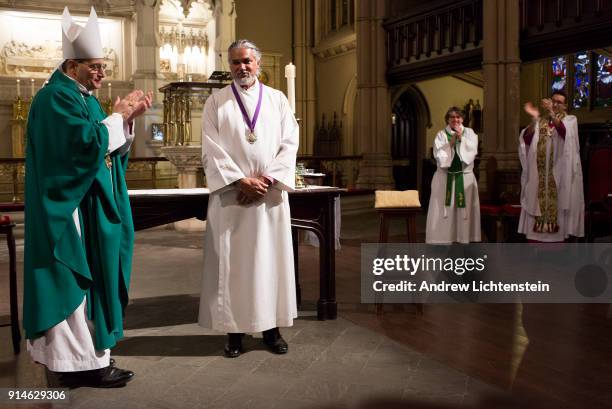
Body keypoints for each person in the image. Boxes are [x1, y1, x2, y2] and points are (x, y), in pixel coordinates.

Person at [23, 7, 152, 388]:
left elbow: (105, 151)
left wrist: (125, 122)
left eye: (104, 68)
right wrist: (116, 117)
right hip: (68, 214)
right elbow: (81, 149)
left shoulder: (84, 99)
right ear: (72, 63)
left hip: (87, 208)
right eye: (94, 67)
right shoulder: (53, 99)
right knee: (72, 285)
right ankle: (77, 364)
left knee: (90, 284)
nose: (101, 74)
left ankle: (86, 358)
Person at [198, 39, 299, 357]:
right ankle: (235, 334)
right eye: (235, 62)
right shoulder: (217, 102)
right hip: (233, 200)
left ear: (258, 64)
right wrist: (240, 182)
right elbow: (209, 148)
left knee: (270, 265)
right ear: (229, 66)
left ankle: (272, 330)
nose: (241, 67)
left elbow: (289, 143)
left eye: (246, 61)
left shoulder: (277, 100)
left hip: (268, 198)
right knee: (234, 268)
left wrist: (266, 181)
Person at [518, 91, 584, 242]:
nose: (555, 104)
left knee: (558, 200)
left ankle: (557, 247)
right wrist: (534, 119)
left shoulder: (570, 120)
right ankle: (536, 244)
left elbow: (565, 134)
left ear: (565, 106)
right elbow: (527, 140)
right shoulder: (541, 122)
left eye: (559, 102)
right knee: (536, 199)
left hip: (559, 171)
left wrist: (552, 113)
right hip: (539, 173)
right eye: (553, 101)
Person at [426, 107, 481, 244]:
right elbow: (438, 155)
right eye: (452, 117)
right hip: (445, 178)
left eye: (458, 117)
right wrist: (450, 143)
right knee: (445, 210)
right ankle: (443, 238)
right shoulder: (441, 134)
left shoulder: (470, 133)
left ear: (462, 119)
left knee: (464, 209)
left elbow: (472, 151)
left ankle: (464, 237)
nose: (455, 120)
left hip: (464, 177)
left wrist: (461, 138)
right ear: (447, 119)